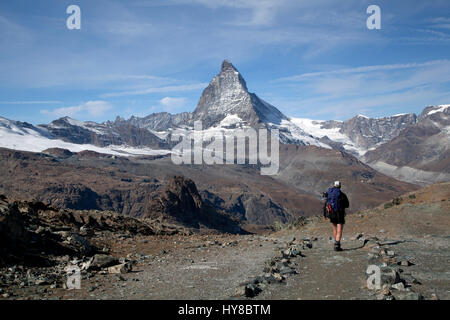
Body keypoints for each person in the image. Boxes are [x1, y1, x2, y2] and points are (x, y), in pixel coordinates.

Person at [323, 181, 349, 251]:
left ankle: (335, 242)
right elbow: (347, 205)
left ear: (334, 186)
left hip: (331, 213)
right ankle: (337, 245)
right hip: (339, 213)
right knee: (339, 229)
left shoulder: (329, 194)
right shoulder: (342, 194)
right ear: (340, 186)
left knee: (334, 229)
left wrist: (324, 214)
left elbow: (326, 204)